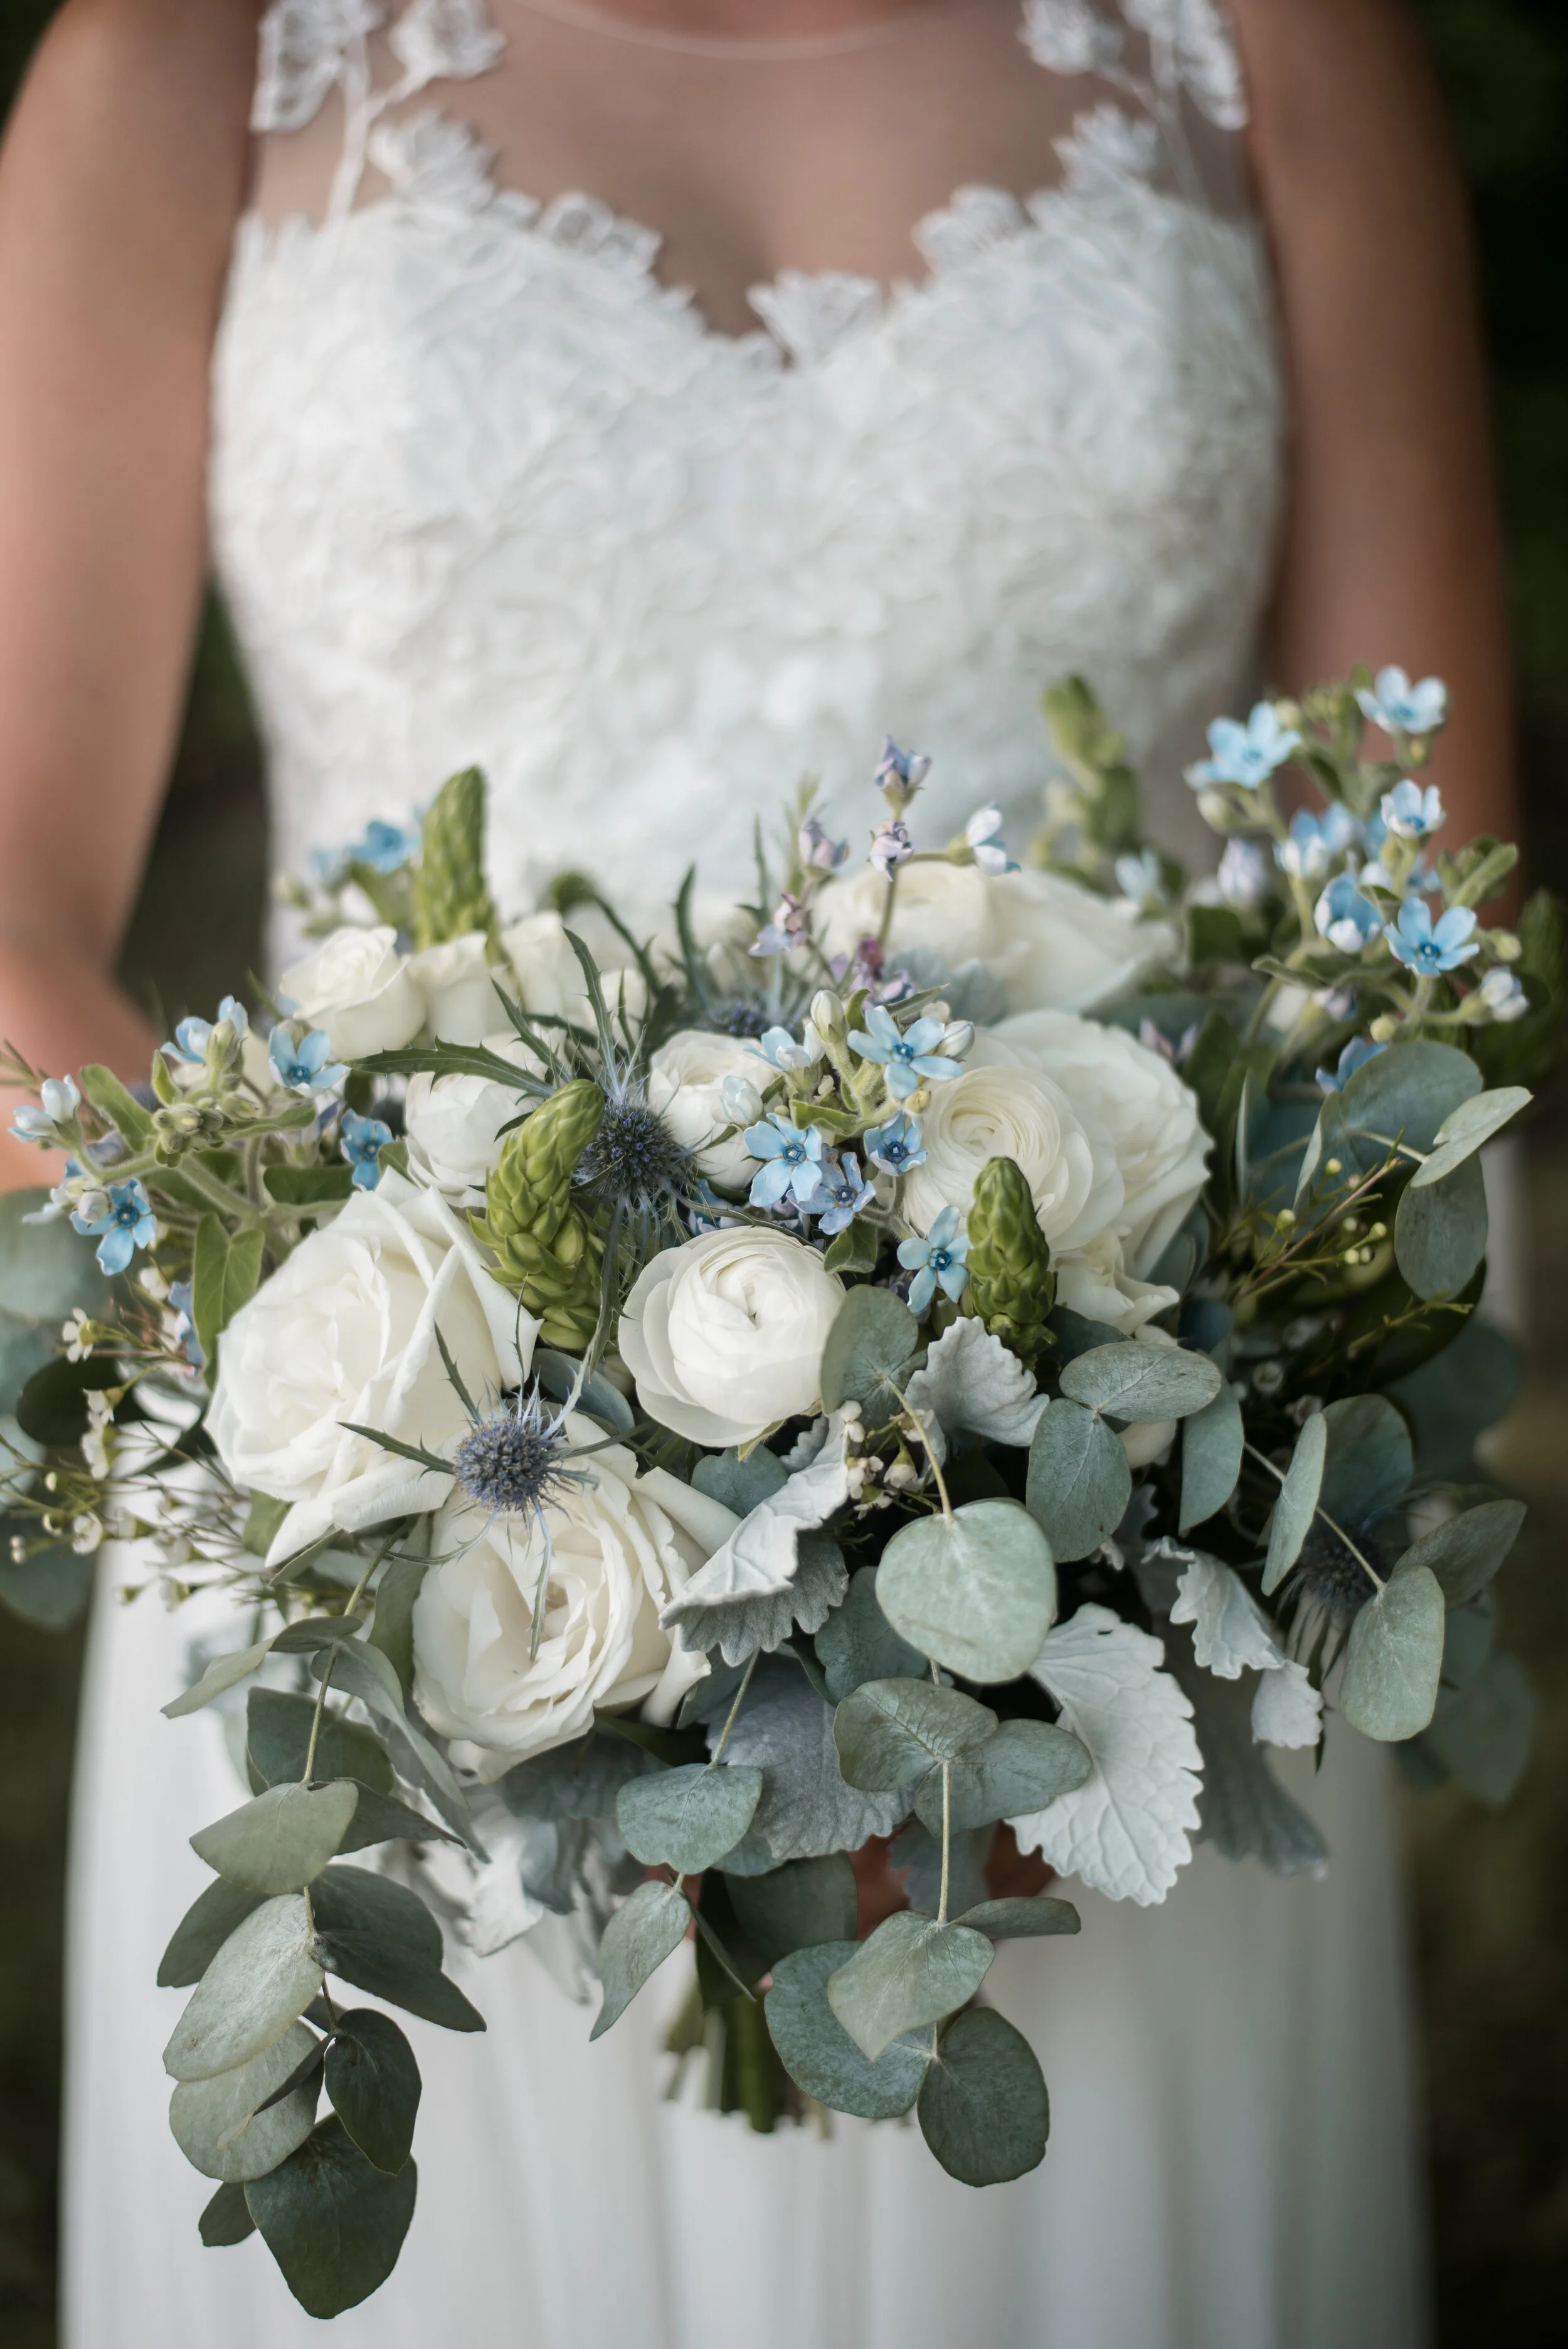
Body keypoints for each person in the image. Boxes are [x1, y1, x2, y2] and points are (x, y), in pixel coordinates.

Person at [0, 3, 1516, 2342]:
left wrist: (1050, 1531)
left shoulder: (1271, 43)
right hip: (388, 1572)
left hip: (1096, 1603)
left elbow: (1413, 921)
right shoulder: (189, 58)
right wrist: (404, 1446)